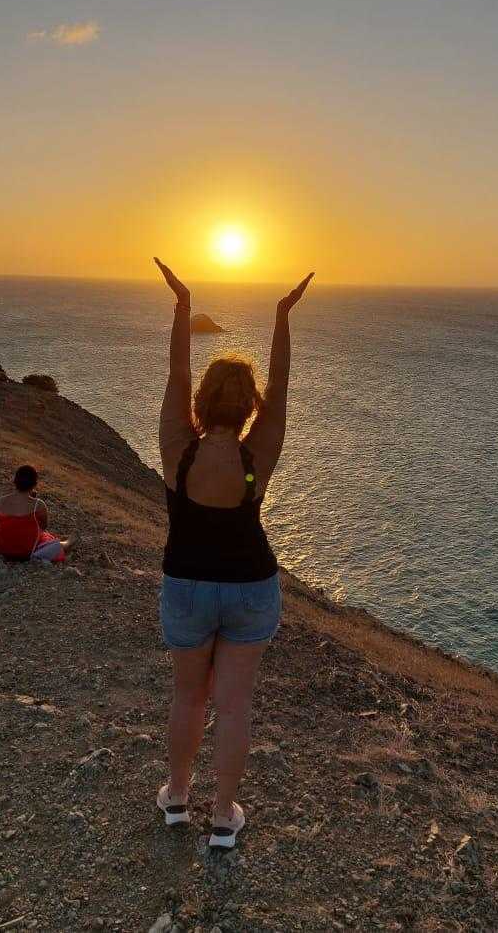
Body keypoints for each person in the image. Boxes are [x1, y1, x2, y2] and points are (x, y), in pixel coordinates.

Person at [153, 256, 314, 849]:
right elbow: (282, 384)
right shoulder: (259, 452)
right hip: (250, 587)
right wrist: (281, 317)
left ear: (200, 402)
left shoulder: (178, 445)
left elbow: (174, 372)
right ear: (250, 409)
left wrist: (182, 305)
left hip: (187, 585)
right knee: (235, 702)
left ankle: (177, 798)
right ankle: (223, 817)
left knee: (188, 695)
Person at [0, 465, 73, 563]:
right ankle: (67, 543)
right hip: (26, 552)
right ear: (34, 484)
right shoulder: (38, 505)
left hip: (3, 550)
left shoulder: (1, 501)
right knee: (55, 544)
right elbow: (43, 526)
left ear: (15, 481)